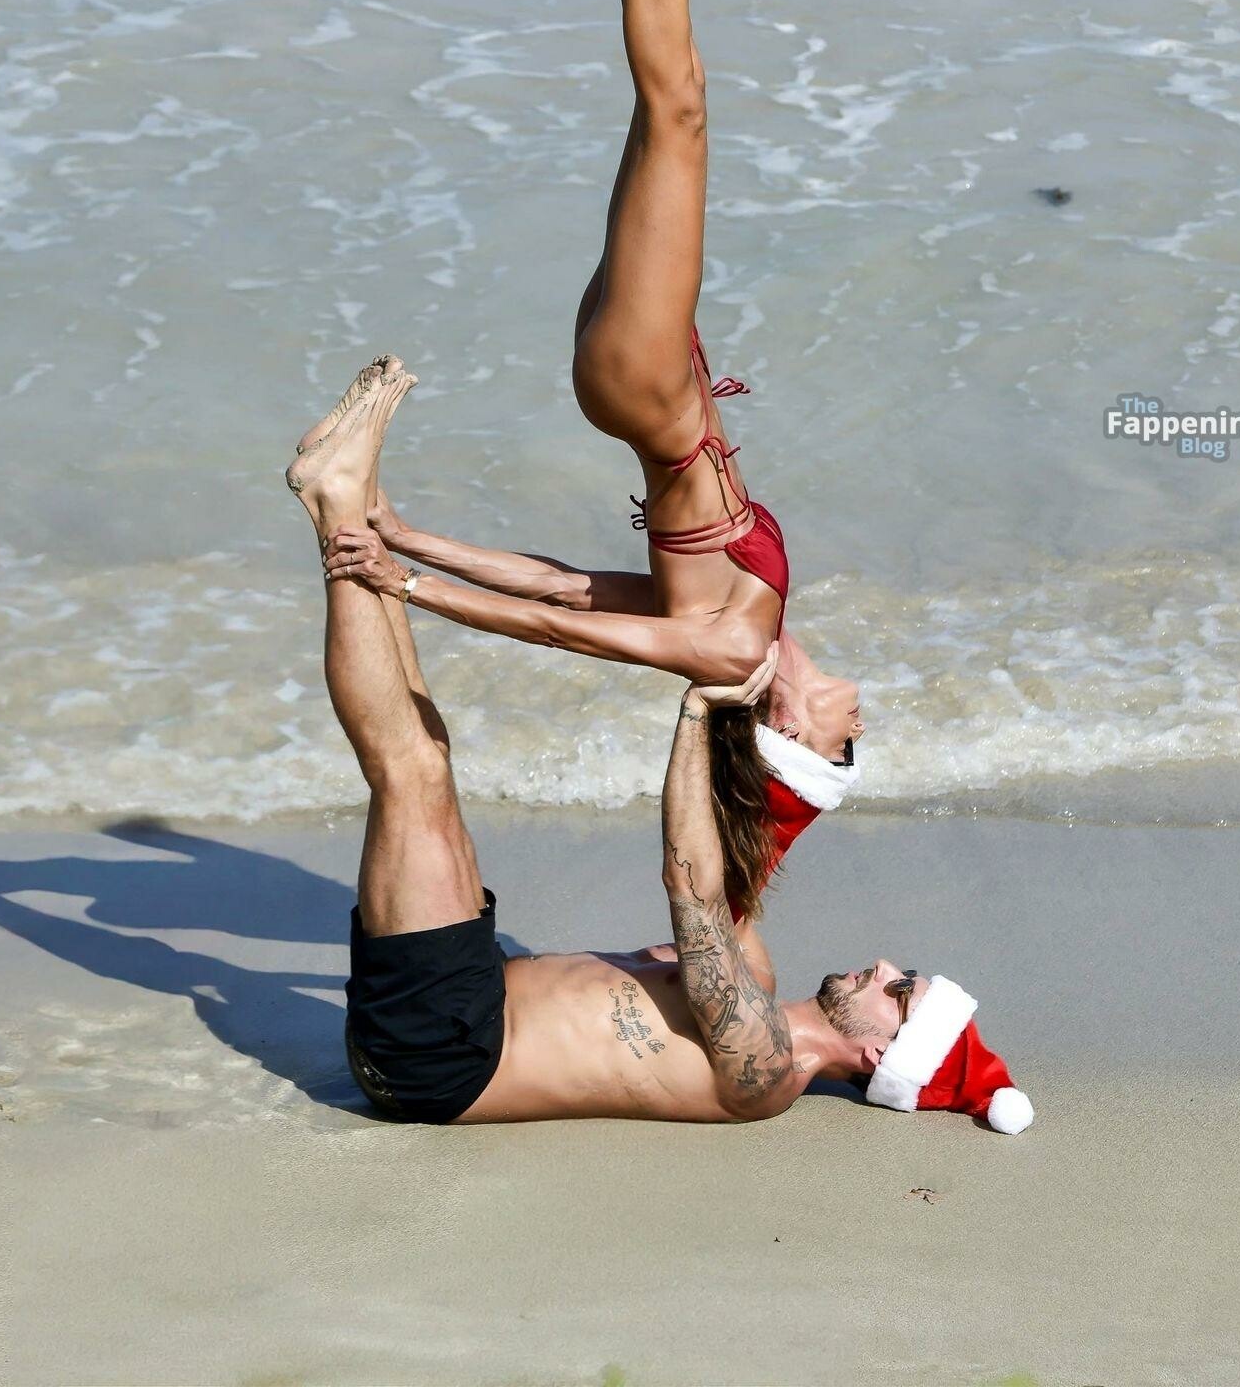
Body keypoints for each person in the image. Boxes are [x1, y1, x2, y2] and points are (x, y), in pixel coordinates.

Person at [310, 0, 862, 840]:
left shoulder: (730, 651)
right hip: (646, 377)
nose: (859, 721)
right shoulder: (748, 628)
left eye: (844, 745)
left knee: (678, 103)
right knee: (665, 103)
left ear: (794, 733)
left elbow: (565, 629)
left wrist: (405, 586)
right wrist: (408, 537)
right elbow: (565, 582)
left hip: (647, 385)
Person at [284, 365, 1033, 1132]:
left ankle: (335, 500)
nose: (885, 968)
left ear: (881, 1054)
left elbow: (692, 891)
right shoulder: (756, 974)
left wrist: (699, 712)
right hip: (468, 997)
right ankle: (349, 509)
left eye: (898, 992)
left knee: (411, 772)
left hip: (441, 1055)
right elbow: (746, 849)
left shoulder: (766, 1071)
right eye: (905, 975)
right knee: (427, 747)